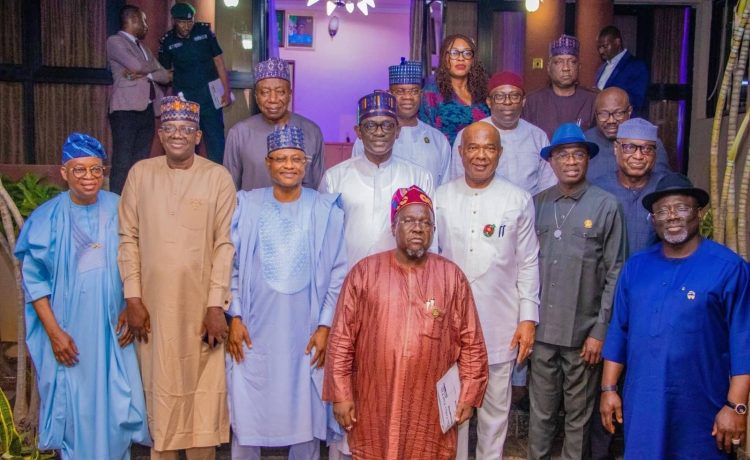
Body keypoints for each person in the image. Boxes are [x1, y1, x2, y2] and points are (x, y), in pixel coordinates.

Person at [324, 186, 489, 460]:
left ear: (433, 230)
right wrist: (341, 394)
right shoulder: (364, 273)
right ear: (394, 227)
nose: (418, 228)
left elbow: (471, 341)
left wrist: (469, 395)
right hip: (375, 399)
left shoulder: (451, 277)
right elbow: (342, 339)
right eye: (409, 220)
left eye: (426, 222)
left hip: (429, 406)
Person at [15, 133, 150, 459]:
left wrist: (130, 303)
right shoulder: (47, 218)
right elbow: (35, 284)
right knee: (75, 410)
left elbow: (142, 259)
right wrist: (55, 334)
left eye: (95, 169)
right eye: (79, 170)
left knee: (118, 408)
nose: (88, 177)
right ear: (64, 172)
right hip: (69, 333)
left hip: (114, 331)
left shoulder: (120, 207)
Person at [118, 95, 236, 460]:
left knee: (204, 394)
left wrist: (216, 305)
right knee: (161, 389)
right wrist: (133, 297)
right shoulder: (140, 174)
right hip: (152, 308)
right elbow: (128, 238)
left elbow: (225, 244)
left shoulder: (217, 177)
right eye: (169, 128)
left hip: (202, 309)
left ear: (198, 136)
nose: (177, 135)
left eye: (186, 129)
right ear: (160, 133)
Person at [600, 173, 750, 459]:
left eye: (681, 208)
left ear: (699, 212)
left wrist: (736, 406)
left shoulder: (729, 268)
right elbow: (619, 330)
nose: (671, 216)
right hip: (643, 404)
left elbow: (744, 341)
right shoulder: (636, 267)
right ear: (653, 220)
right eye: (662, 211)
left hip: (702, 407)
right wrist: (608, 389)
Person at [226, 125, 347, 460]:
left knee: (304, 412)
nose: (289, 166)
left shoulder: (325, 208)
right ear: (268, 163)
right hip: (254, 327)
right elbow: (230, 266)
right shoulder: (246, 205)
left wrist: (325, 325)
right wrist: (235, 315)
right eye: (280, 159)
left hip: (305, 329)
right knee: (248, 410)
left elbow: (338, 272)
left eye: (296, 159)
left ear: (306, 164)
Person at [437, 122, 540, 459]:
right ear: (461, 152)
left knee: (495, 412)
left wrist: (528, 319)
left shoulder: (518, 199)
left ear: (500, 153)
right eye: (473, 147)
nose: (481, 155)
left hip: (500, 323)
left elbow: (528, 262)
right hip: (449, 326)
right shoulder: (440, 197)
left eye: (489, 148)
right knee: (453, 409)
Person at [528, 123, 626, 460]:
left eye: (578, 154)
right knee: (540, 414)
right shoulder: (537, 204)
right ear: (551, 161)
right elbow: (523, 265)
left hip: (584, 336)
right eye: (563, 155)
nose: (571, 161)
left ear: (587, 159)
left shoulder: (606, 205)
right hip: (542, 332)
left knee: (578, 418)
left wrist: (600, 331)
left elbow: (616, 272)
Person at [320, 90, 434, 266]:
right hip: (349, 275)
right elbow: (324, 241)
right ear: (358, 131)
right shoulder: (334, 179)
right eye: (370, 126)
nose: (379, 132)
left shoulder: (419, 177)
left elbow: (430, 237)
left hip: (403, 277)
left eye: (387, 125)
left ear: (397, 130)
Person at [224, 57, 325, 191]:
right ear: (256, 96)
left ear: (289, 94)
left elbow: (319, 189)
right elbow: (229, 191)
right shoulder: (239, 134)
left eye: (280, 92)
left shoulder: (312, 132)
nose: (273, 99)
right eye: (265, 92)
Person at [450, 71, 557, 195]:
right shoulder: (469, 135)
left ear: (523, 101)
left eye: (514, 96)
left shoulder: (538, 136)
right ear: (489, 102)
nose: (507, 102)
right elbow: (457, 182)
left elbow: (547, 187)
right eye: (499, 96)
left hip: (529, 206)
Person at [352, 58, 451, 185]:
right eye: (400, 91)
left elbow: (445, 188)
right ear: (389, 94)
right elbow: (357, 181)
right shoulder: (368, 138)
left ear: (421, 95)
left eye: (414, 91)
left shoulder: (438, 140)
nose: (408, 97)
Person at [106, 5, 170, 194]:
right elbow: (136, 65)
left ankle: (135, 201)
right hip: (124, 110)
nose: (146, 26)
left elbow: (165, 76)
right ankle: (116, 202)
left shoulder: (143, 48)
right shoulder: (115, 41)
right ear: (133, 20)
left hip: (147, 109)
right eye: (144, 21)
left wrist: (146, 74)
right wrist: (150, 68)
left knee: (140, 161)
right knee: (122, 160)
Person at [158, 2, 231, 164]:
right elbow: (166, 72)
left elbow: (219, 61)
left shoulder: (204, 32)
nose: (187, 26)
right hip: (185, 99)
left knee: (216, 140)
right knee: (187, 140)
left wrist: (226, 90)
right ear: (174, 21)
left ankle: (218, 174)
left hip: (210, 97)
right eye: (182, 22)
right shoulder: (168, 41)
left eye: (190, 22)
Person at [593, 118, 665, 255]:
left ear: (655, 153)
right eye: (629, 147)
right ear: (616, 148)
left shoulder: (664, 189)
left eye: (647, 149)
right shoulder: (598, 190)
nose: (638, 156)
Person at [585, 87, 671, 182]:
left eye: (618, 113)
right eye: (603, 114)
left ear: (629, 111)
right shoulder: (585, 142)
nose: (611, 121)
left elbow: (662, 183)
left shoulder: (649, 142)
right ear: (595, 114)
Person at [419, 34, 490, 145]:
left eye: (467, 53)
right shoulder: (431, 92)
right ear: (444, 58)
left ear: (472, 60)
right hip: (445, 154)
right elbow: (425, 135)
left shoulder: (484, 91)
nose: (461, 58)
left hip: (482, 154)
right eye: (454, 53)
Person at [523, 35, 597, 140]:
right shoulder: (532, 102)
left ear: (579, 66)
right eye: (559, 62)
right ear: (549, 67)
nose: (566, 68)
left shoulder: (593, 100)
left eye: (572, 62)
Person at [595, 26, 650, 115]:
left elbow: (638, 100)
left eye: (605, 46)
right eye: (599, 48)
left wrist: (606, 96)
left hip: (625, 120)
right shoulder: (601, 68)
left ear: (617, 42)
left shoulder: (636, 66)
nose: (601, 51)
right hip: (602, 119)